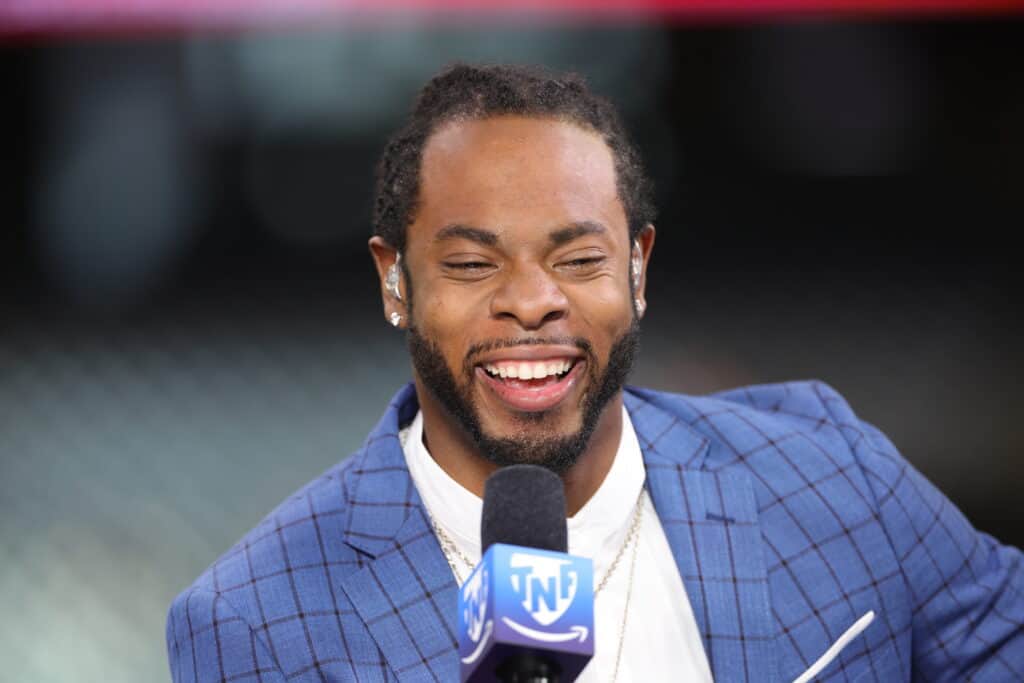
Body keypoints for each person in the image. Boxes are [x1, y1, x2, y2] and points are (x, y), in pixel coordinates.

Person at [166, 64, 1023, 683]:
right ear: (396, 280)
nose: (533, 302)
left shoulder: (832, 473)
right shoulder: (257, 621)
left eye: (579, 258)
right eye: (472, 265)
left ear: (639, 269)